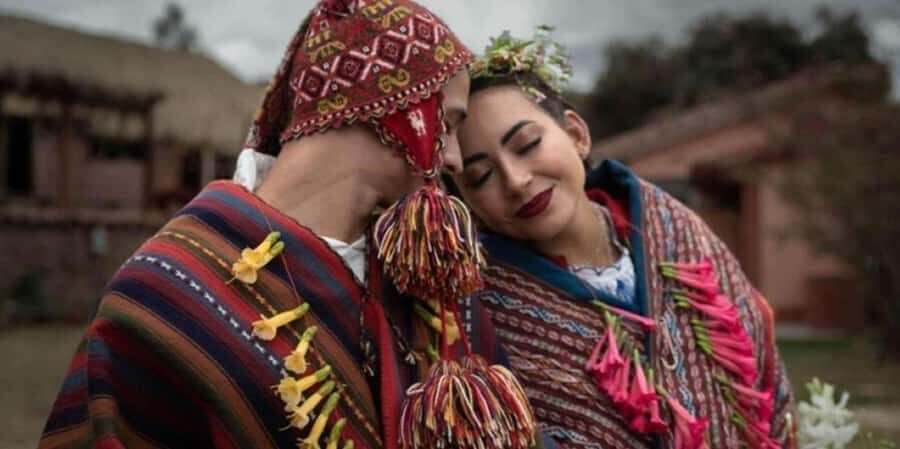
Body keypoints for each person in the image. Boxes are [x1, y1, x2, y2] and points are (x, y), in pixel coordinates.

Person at [38, 2, 536, 449]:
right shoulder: (165, 293)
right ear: (397, 106)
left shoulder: (428, 280)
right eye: (447, 124)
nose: (451, 156)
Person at [443, 28, 796, 449]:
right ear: (465, 198)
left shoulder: (677, 231)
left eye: (527, 144)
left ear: (576, 133)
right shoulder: (476, 311)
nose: (516, 181)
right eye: (481, 176)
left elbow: (765, 377)